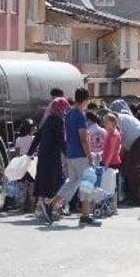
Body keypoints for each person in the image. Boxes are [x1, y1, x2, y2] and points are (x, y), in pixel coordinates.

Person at [47, 88, 99, 226]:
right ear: (86, 100)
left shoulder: (69, 113)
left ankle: (51, 204)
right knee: (86, 184)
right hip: (80, 155)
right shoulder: (80, 115)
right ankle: (85, 215)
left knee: (72, 182)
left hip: (70, 153)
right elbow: (83, 138)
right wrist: (89, 156)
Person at [29, 97, 68, 224]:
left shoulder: (48, 120)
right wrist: (69, 154)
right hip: (52, 156)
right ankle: (50, 207)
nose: (65, 111)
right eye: (64, 108)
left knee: (44, 180)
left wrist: (29, 153)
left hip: (43, 155)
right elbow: (61, 140)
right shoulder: (58, 121)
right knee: (55, 181)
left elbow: (37, 137)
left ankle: (43, 207)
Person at [110, 100, 140, 206]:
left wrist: (117, 159)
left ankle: (136, 199)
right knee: (131, 168)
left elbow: (120, 144)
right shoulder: (124, 117)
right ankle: (133, 196)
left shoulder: (118, 120)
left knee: (133, 168)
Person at [101, 113, 122, 213]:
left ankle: (114, 206)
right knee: (107, 184)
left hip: (112, 163)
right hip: (108, 161)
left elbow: (112, 151)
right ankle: (109, 205)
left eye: (106, 122)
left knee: (112, 185)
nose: (104, 124)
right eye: (104, 122)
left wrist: (106, 163)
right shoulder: (108, 132)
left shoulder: (114, 134)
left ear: (113, 122)